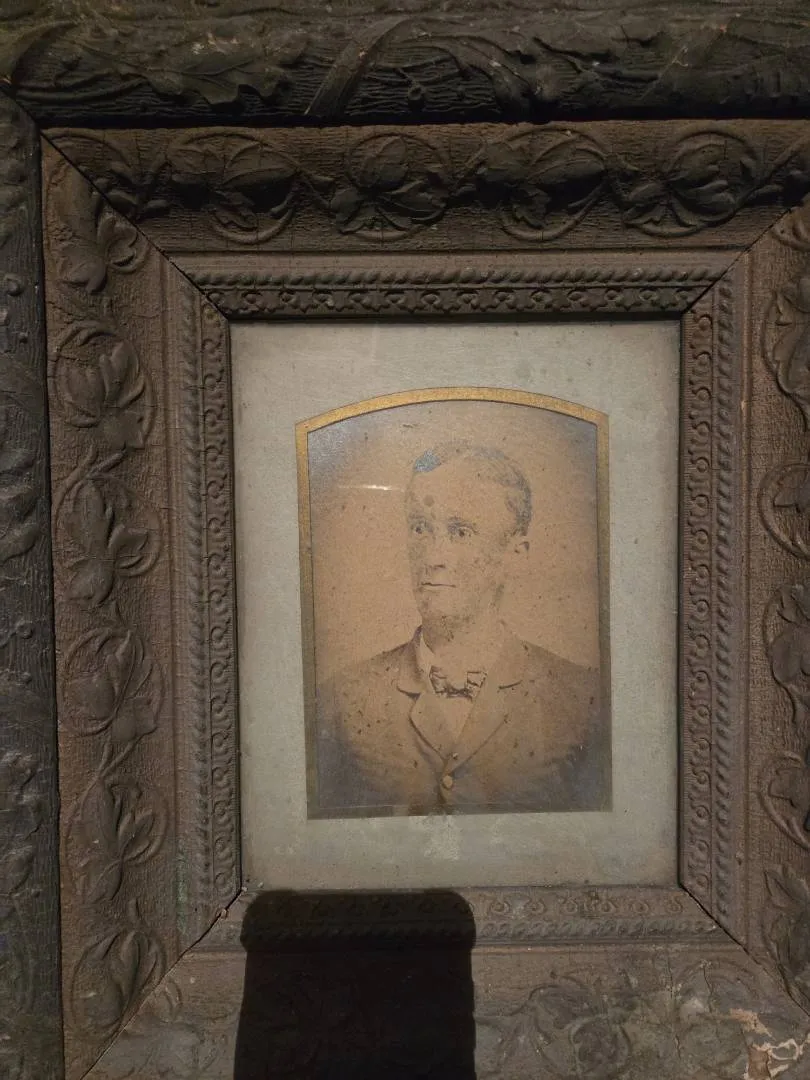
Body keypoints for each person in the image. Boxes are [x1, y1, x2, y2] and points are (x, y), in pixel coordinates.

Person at [314, 442, 608, 816]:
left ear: (515, 555)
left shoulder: (583, 702)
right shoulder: (341, 702)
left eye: (461, 532)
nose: (433, 557)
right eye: (420, 528)